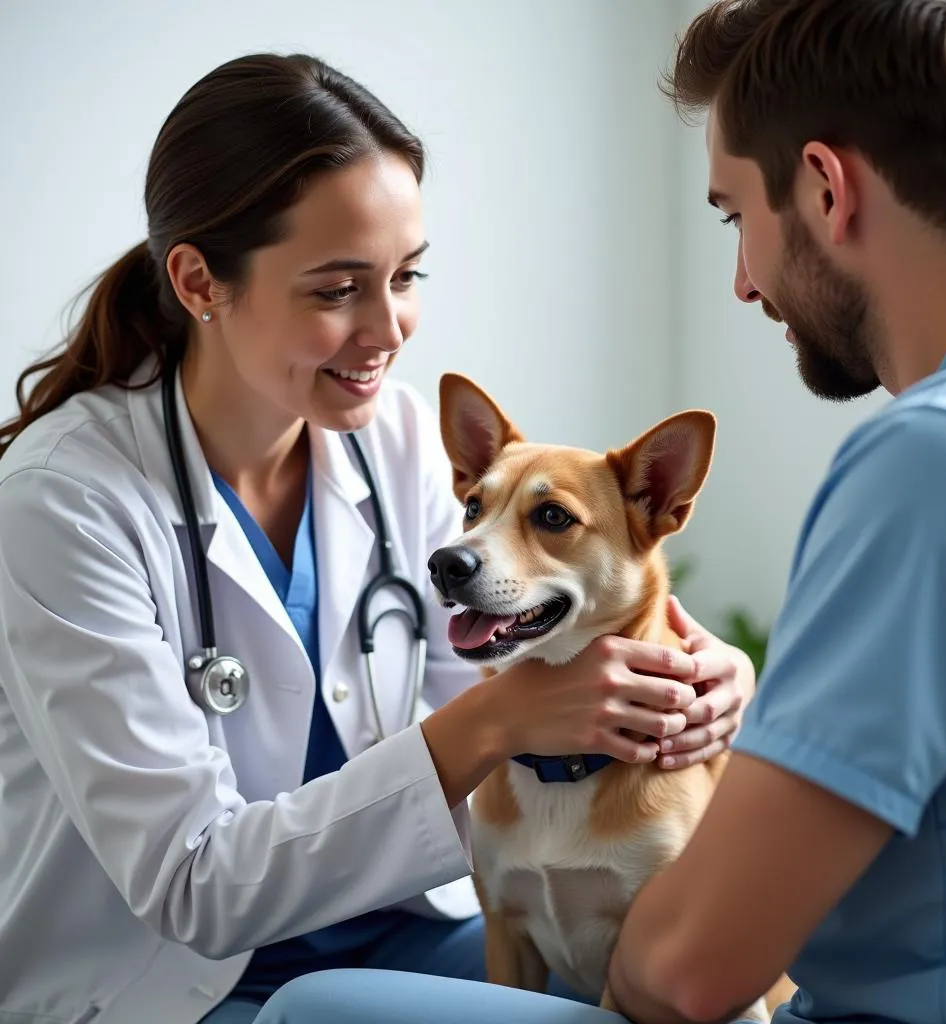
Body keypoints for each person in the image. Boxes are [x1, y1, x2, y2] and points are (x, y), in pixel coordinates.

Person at [254, 1, 946, 1022]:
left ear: (826, 189)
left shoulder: (937, 455)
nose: (744, 283)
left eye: (731, 216)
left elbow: (684, 971)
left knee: (315, 1010)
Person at [0, 53, 755, 1024]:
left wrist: (702, 674)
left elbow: (499, 658)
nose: (388, 328)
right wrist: (494, 722)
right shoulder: (64, 502)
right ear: (197, 280)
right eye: (335, 289)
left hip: (394, 928)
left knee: (648, 988)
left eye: (406, 276)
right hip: (166, 984)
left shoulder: (384, 439)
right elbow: (194, 887)